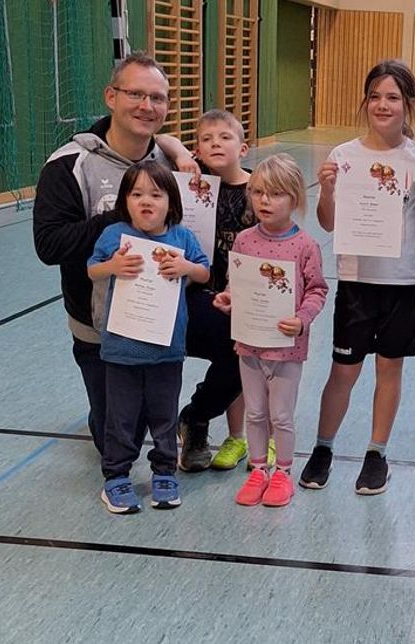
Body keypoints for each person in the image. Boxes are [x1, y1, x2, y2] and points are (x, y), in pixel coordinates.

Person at [33, 52, 197, 455]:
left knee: (239, 342)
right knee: (118, 437)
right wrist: (118, 219)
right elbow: (49, 245)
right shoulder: (69, 165)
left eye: (157, 98)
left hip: (164, 319)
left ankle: (199, 419)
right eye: (135, 94)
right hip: (98, 326)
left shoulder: (172, 164)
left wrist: (177, 149)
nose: (147, 106)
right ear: (111, 96)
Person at [298, 60, 415, 495]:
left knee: (389, 370)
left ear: (408, 105)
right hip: (357, 281)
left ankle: (377, 453)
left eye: (392, 97)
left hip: (404, 282)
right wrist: (331, 191)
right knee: (343, 370)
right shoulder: (343, 156)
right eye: (374, 96)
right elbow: (329, 222)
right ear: (365, 101)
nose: (382, 104)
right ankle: (323, 447)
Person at [87, 161, 210, 514]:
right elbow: (91, 268)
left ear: (170, 201)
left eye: (155, 194)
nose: (146, 201)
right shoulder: (115, 236)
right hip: (121, 350)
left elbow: (203, 271)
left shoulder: (181, 237)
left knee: (164, 416)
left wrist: (187, 268)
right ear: (124, 200)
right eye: (136, 193)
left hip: (167, 351)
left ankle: (165, 472)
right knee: (121, 418)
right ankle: (116, 477)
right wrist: (112, 267)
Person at [213, 154, 328, 507]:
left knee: (280, 415)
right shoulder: (245, 240)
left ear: (294, 198)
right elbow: (239, 283)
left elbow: (318, 289)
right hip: (249, 343)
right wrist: (229, 298)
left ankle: (283, 472)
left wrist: (302, 318)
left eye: (276, 194)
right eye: (258, 192)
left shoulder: (305, 245)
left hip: (286, 348)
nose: (265, 200)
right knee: (256, 413)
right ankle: (259, 470)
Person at [178, 109, 255, 472]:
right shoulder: (188, 186)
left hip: (242, 300)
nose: (215, 144)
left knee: (241, 352)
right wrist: (179, 154)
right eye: (206, 139)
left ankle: (195, 416)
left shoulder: (258, 191)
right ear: (196, 149)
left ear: (244, 148)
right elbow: (160, 140)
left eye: (224, 137)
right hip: (194, 294)